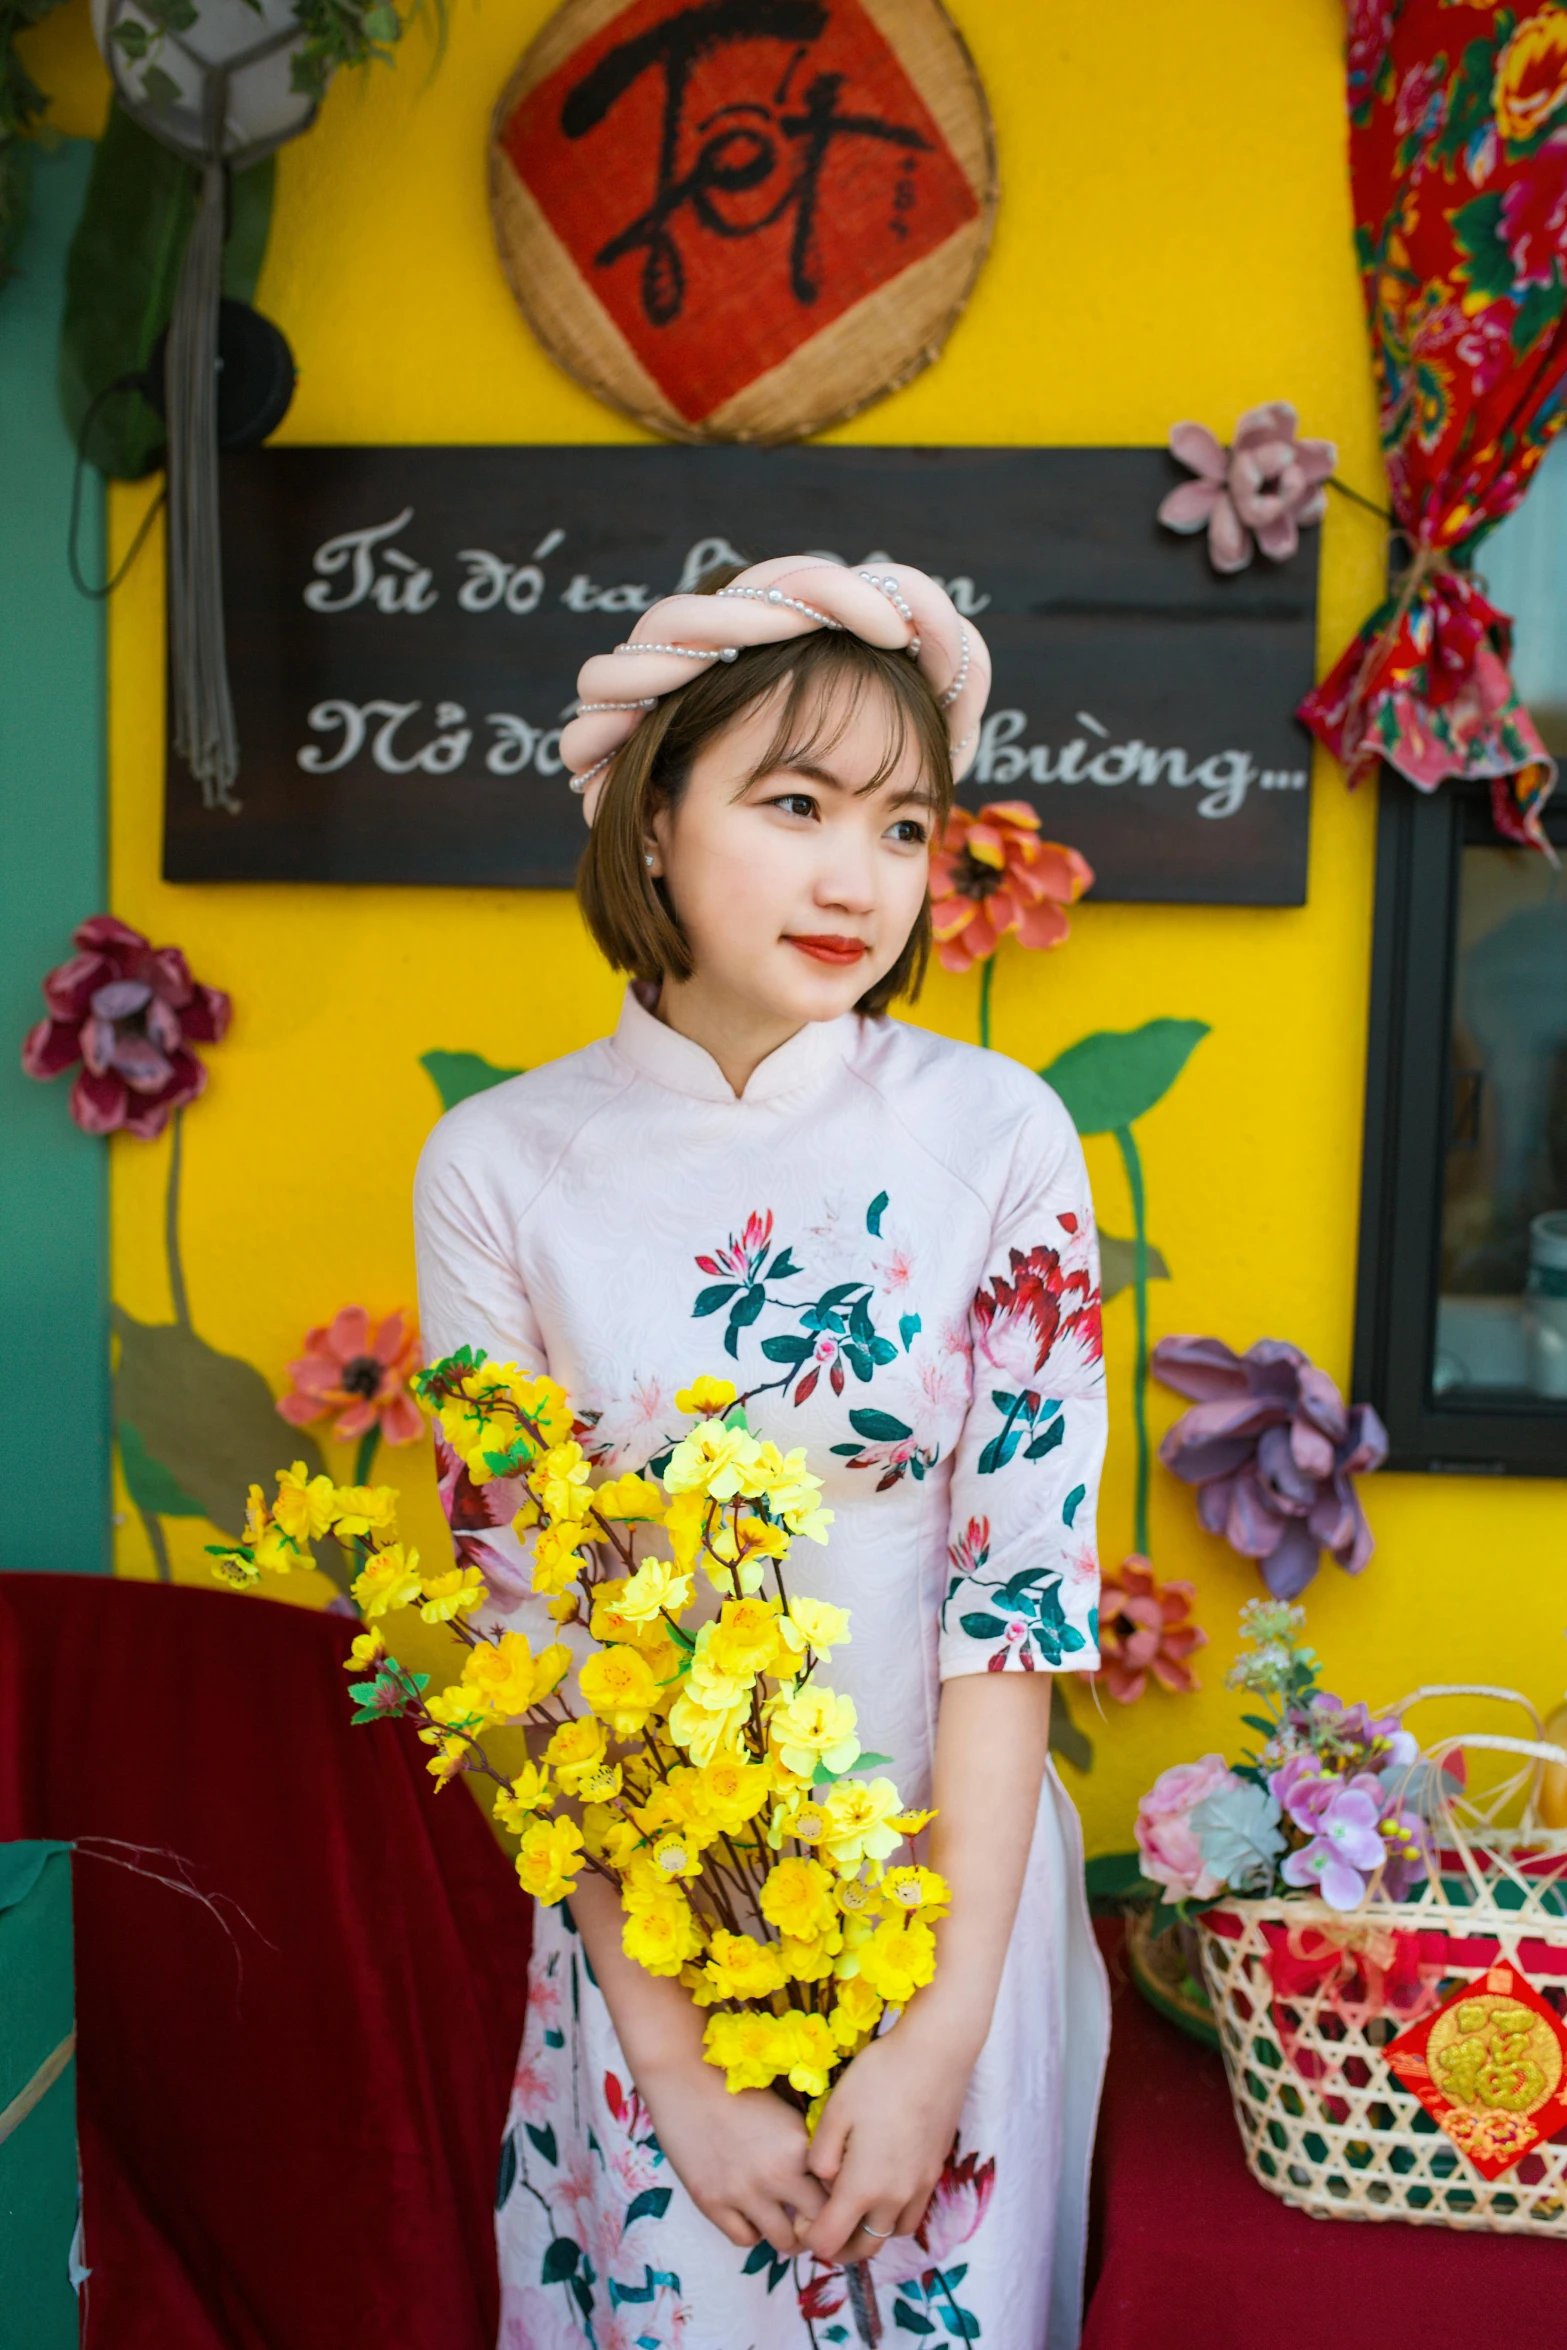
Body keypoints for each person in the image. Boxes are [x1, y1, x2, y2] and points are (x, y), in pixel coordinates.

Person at [414, 558, 1110, 2350]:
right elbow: (525, 1637)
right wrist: (671, 2056)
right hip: (651, 1914)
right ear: (653, 821)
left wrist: (938, 2030)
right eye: (791, 804)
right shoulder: (498, 1166)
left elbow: (1012, 1600)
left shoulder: (1000, 1134)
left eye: (898, 825)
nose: (850, 877)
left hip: (950, 1889)